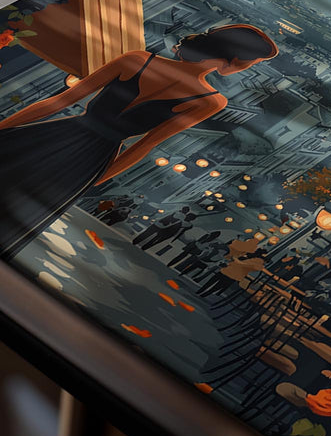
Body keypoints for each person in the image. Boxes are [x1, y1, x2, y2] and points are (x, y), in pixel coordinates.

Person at [0, 24, 277, 261]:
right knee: (18, 212)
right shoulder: (210, 101)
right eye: (254, 62)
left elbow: (58, 102)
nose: (251, 66)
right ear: (237, 58)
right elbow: (145, 145)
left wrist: (3, 128)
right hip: (93, 159)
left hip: (56, 133)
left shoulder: (137, 59)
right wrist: (92, 181)